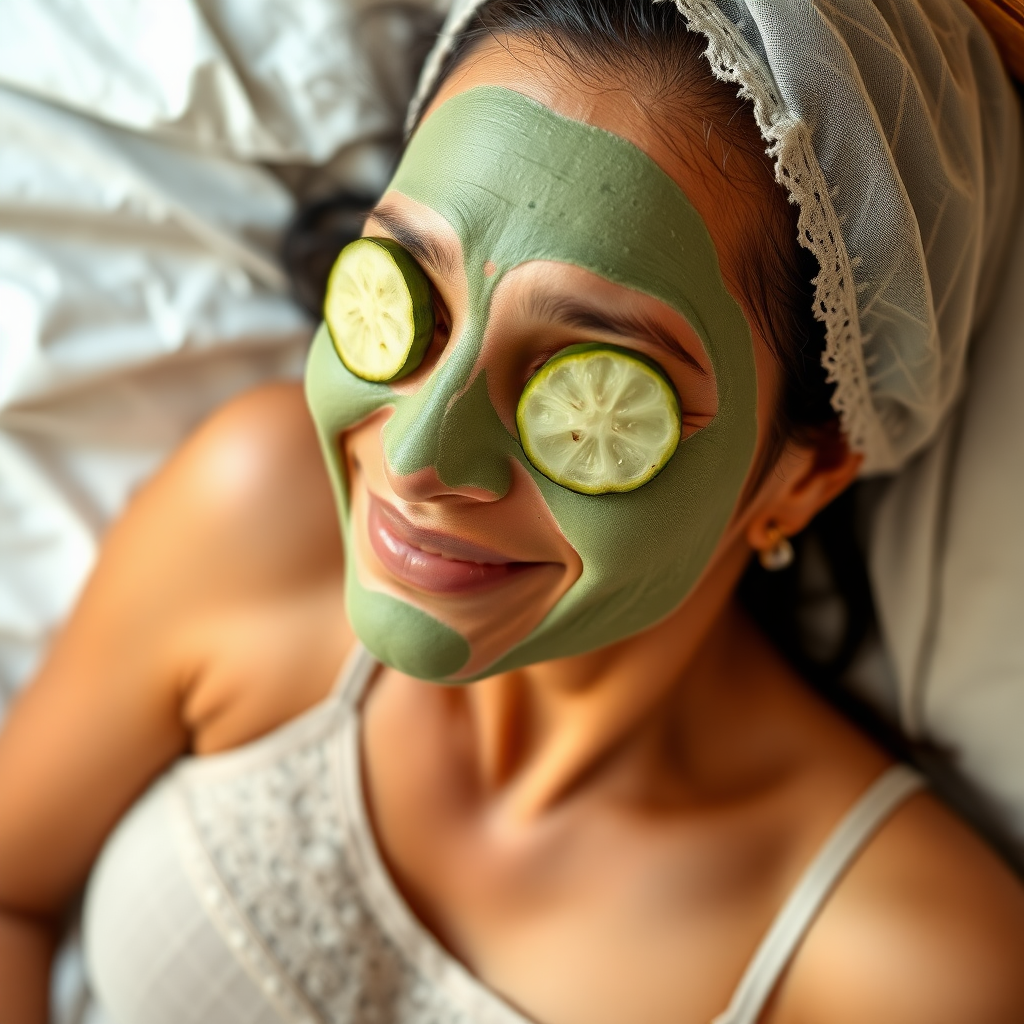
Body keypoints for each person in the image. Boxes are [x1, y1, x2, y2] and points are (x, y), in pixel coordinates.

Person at [2, 1, 1024, 1022]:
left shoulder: (907, 963)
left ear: (805, 475)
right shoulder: (257, 509)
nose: (413, 458)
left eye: (594, 390)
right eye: (411, 292)